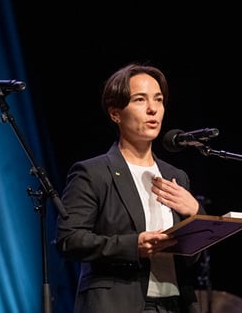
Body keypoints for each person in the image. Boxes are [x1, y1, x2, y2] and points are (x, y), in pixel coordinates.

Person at [55, 63, 206, 313]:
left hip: (174, 303)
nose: (153, 109)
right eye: (140, 99)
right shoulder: (93, 172)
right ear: (115, 113)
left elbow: (192, 255)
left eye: (158, 100)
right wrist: (132, 246)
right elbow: (69, 240)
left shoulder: (175, 176)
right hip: (119, 302)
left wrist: (195, 212)